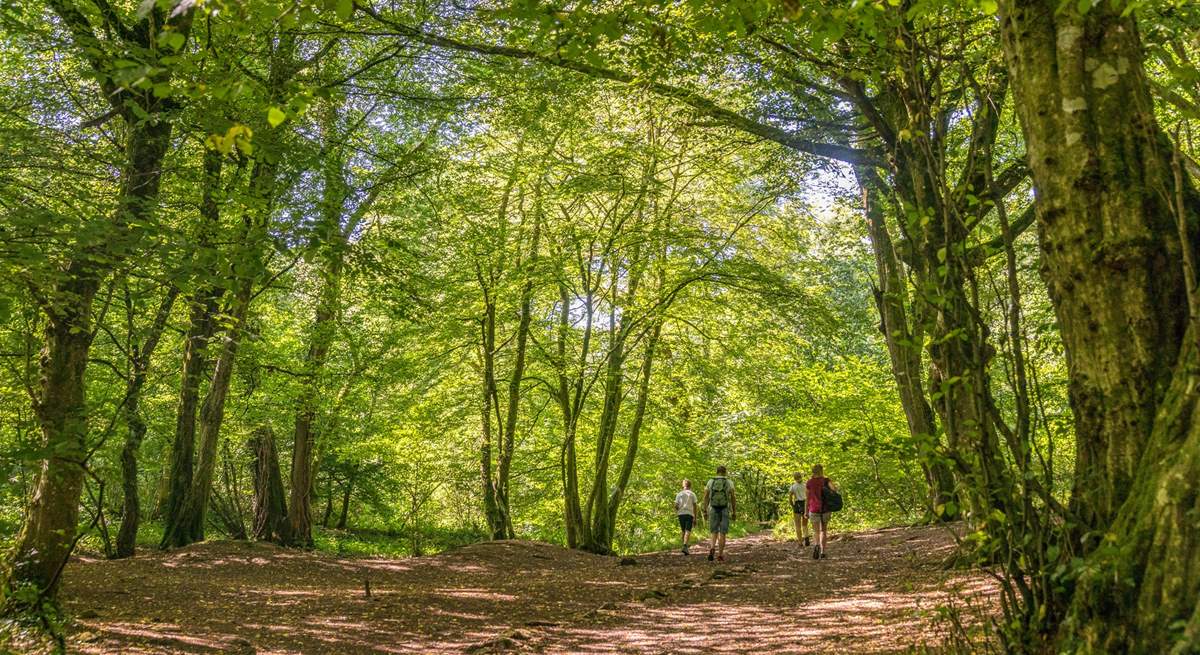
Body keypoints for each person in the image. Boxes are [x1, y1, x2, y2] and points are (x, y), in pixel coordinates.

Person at [703, 465, 736, 562]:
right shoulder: (729, 482)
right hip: (725, 508)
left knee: (714, 531)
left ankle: (712, 547)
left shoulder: (711, 481)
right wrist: (734, 511)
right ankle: (720, 554)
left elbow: (705, 496)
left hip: (713, 508)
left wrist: (705, 510)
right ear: (725, 472)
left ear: (716, 472)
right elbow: (733, 498)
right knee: (723, 532)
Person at [806, 464, 835, 559]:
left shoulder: (809, 482)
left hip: (813, 509)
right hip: (825, 509)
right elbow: (834, 490)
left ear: (813, 472)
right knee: (824, 530)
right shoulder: (826, 480)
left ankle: (816, 545)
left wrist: (806, 511)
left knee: (816, 531)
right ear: (821, 471)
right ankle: (822, 552)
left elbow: (807, 498)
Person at [673, 479, 700, 555]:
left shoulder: (679, 494)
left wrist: (677, 510)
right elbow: (695, 506)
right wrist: (695, 517)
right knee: (688, 530)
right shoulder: (692, 494)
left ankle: (684, 547)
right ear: (690, 486)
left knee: (683, 531)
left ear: (683, 485)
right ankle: (685, 546)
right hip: (689, 514)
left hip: (681, 514)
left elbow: (676, 506)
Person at [787, 472, 810, 547]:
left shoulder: (793, 487)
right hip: (805, 504)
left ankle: (800, 542)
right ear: (801, 477)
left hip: (797, 505)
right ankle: (806, 537)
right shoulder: (806, 485)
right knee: (805, 523)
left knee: (797, 525)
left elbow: (790, 498)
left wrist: (792, 505)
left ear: (794, 478)